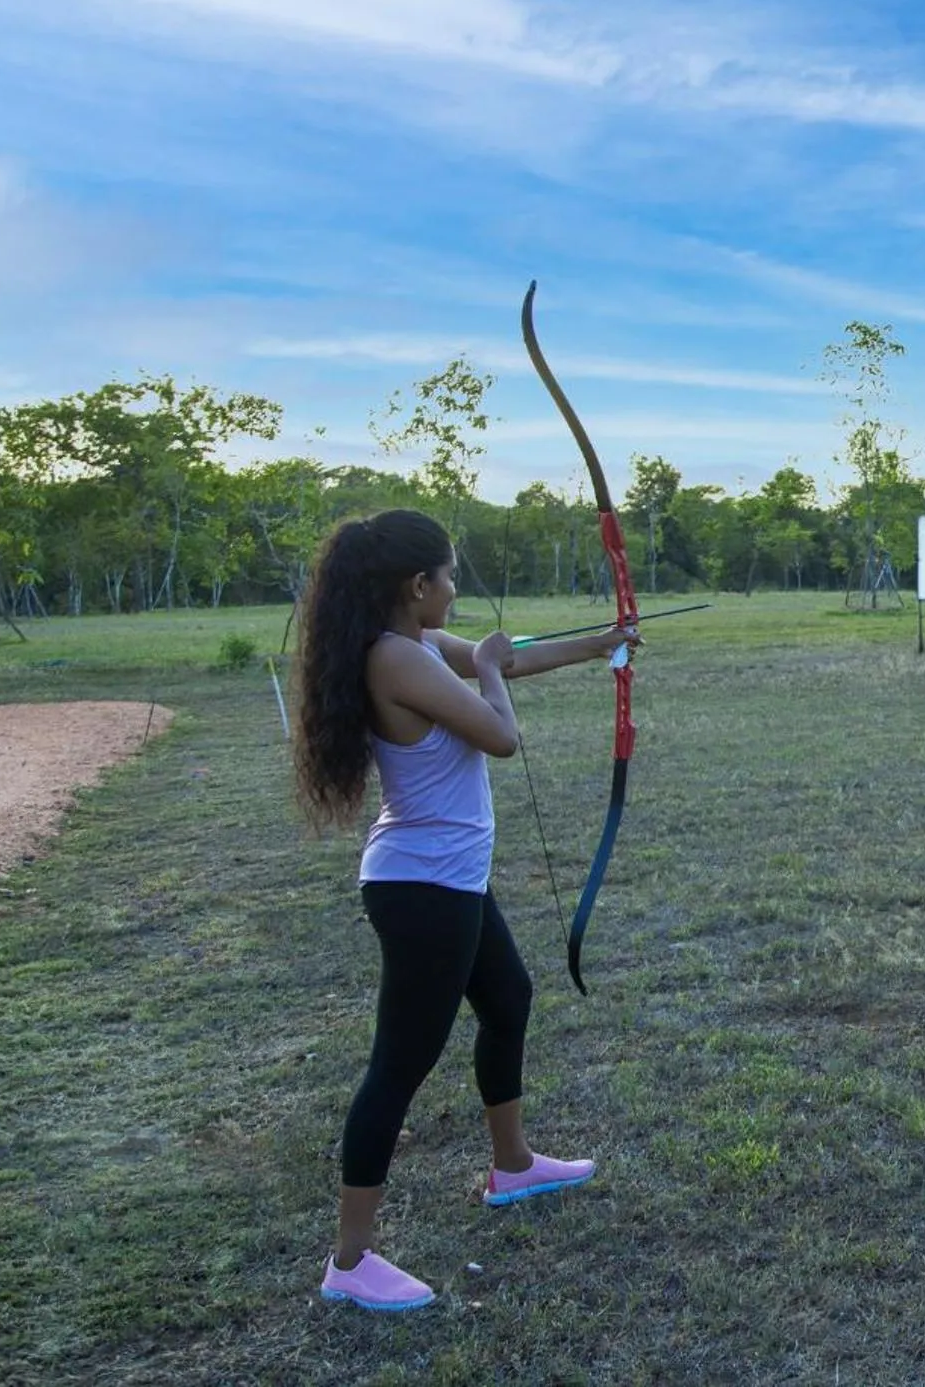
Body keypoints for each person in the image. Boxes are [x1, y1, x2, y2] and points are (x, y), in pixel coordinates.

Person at [290, 509, 634, 1311]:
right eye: (448, 573)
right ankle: (350, 1261)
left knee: (508, 997)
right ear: (418, 586)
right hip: (422, 889)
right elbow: (499, 730)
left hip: (448, 879)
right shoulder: (395, 661)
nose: (454, 585)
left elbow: (499, 663)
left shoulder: (406, 643)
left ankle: (512, 1166)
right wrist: (486, 666)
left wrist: (605, 642)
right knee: (398, 1066)